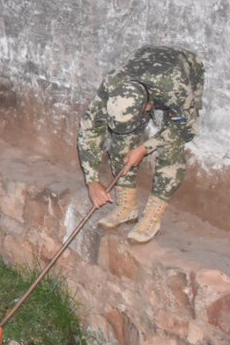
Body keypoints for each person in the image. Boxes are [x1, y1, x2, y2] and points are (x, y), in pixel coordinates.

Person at [78, 45, 204, 243]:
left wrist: (145, 147)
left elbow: (187, 129)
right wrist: (92, 180)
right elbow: (89, 129)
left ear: (147, 108)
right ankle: (127, 208)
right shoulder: (113, 85)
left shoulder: (176, 89)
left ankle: (152, 217)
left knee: (172, 147)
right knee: (120, 141)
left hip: (182, 69)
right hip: (144, 69)